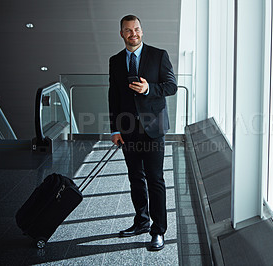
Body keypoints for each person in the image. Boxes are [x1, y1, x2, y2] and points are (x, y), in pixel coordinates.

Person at [108, 14, 177, 251]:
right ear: (122, 34)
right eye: (128, 30)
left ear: (142, 31)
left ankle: (159, 231)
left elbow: (171, 86)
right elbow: (114, 96)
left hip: (153, 130)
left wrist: (150, 88)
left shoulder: (159, 55)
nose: (133, 34)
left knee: (155, 180)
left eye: (136, 29)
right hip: (127, 131)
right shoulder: (115, 61)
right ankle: (141, 222)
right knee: (135, 178)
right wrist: (114, 129)